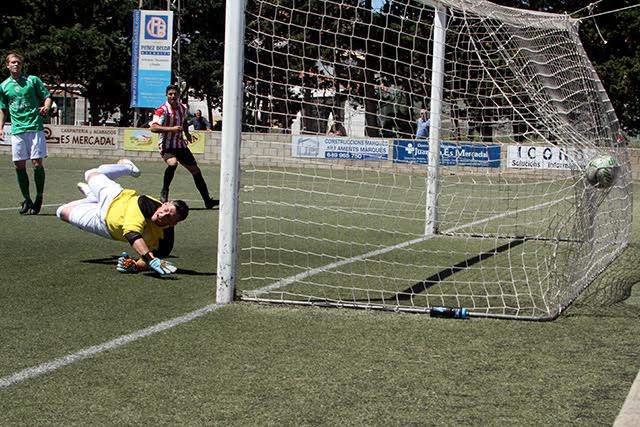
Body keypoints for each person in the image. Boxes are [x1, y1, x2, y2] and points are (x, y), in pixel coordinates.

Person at [56, 159, 189, 275]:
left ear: (173, 224)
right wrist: (150, 259)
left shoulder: (165, 243)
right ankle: (128, 167)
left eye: (169, 217)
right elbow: (131, 233)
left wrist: (135, 266)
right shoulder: (146, 204)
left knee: (61, 212)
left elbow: (147, 261)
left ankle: (92, 198)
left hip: (105, 225)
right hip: (114, 197)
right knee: (90, 174)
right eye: (165, 209)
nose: (163, 214)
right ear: (164, 204)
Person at [0, 52, 53, 215]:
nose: (16, 65)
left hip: (35, 127)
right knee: (19, 165)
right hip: (17, 131)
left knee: (37, 163)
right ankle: (26, 199)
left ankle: (39, 197)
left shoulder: (32, 80)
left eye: (19, 63)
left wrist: (46, 106)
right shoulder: (3, 86)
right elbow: (2, 108)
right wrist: (0, 127)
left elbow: (47, 97)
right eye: (13, 62)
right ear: (7, 65)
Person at [150, 85, 218, 208]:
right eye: (170, 94)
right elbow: (153, 128)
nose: (173, 96)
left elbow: (184, 121)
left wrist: (187, 134)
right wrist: (172, 129)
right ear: (166, 95)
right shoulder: (162, 110)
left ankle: (207, 200)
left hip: (180, 145)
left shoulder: (182, 108)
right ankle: (165, 190)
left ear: (178, 95)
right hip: (166, 145)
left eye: (175, 94)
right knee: (173, 163)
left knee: (196, 171)